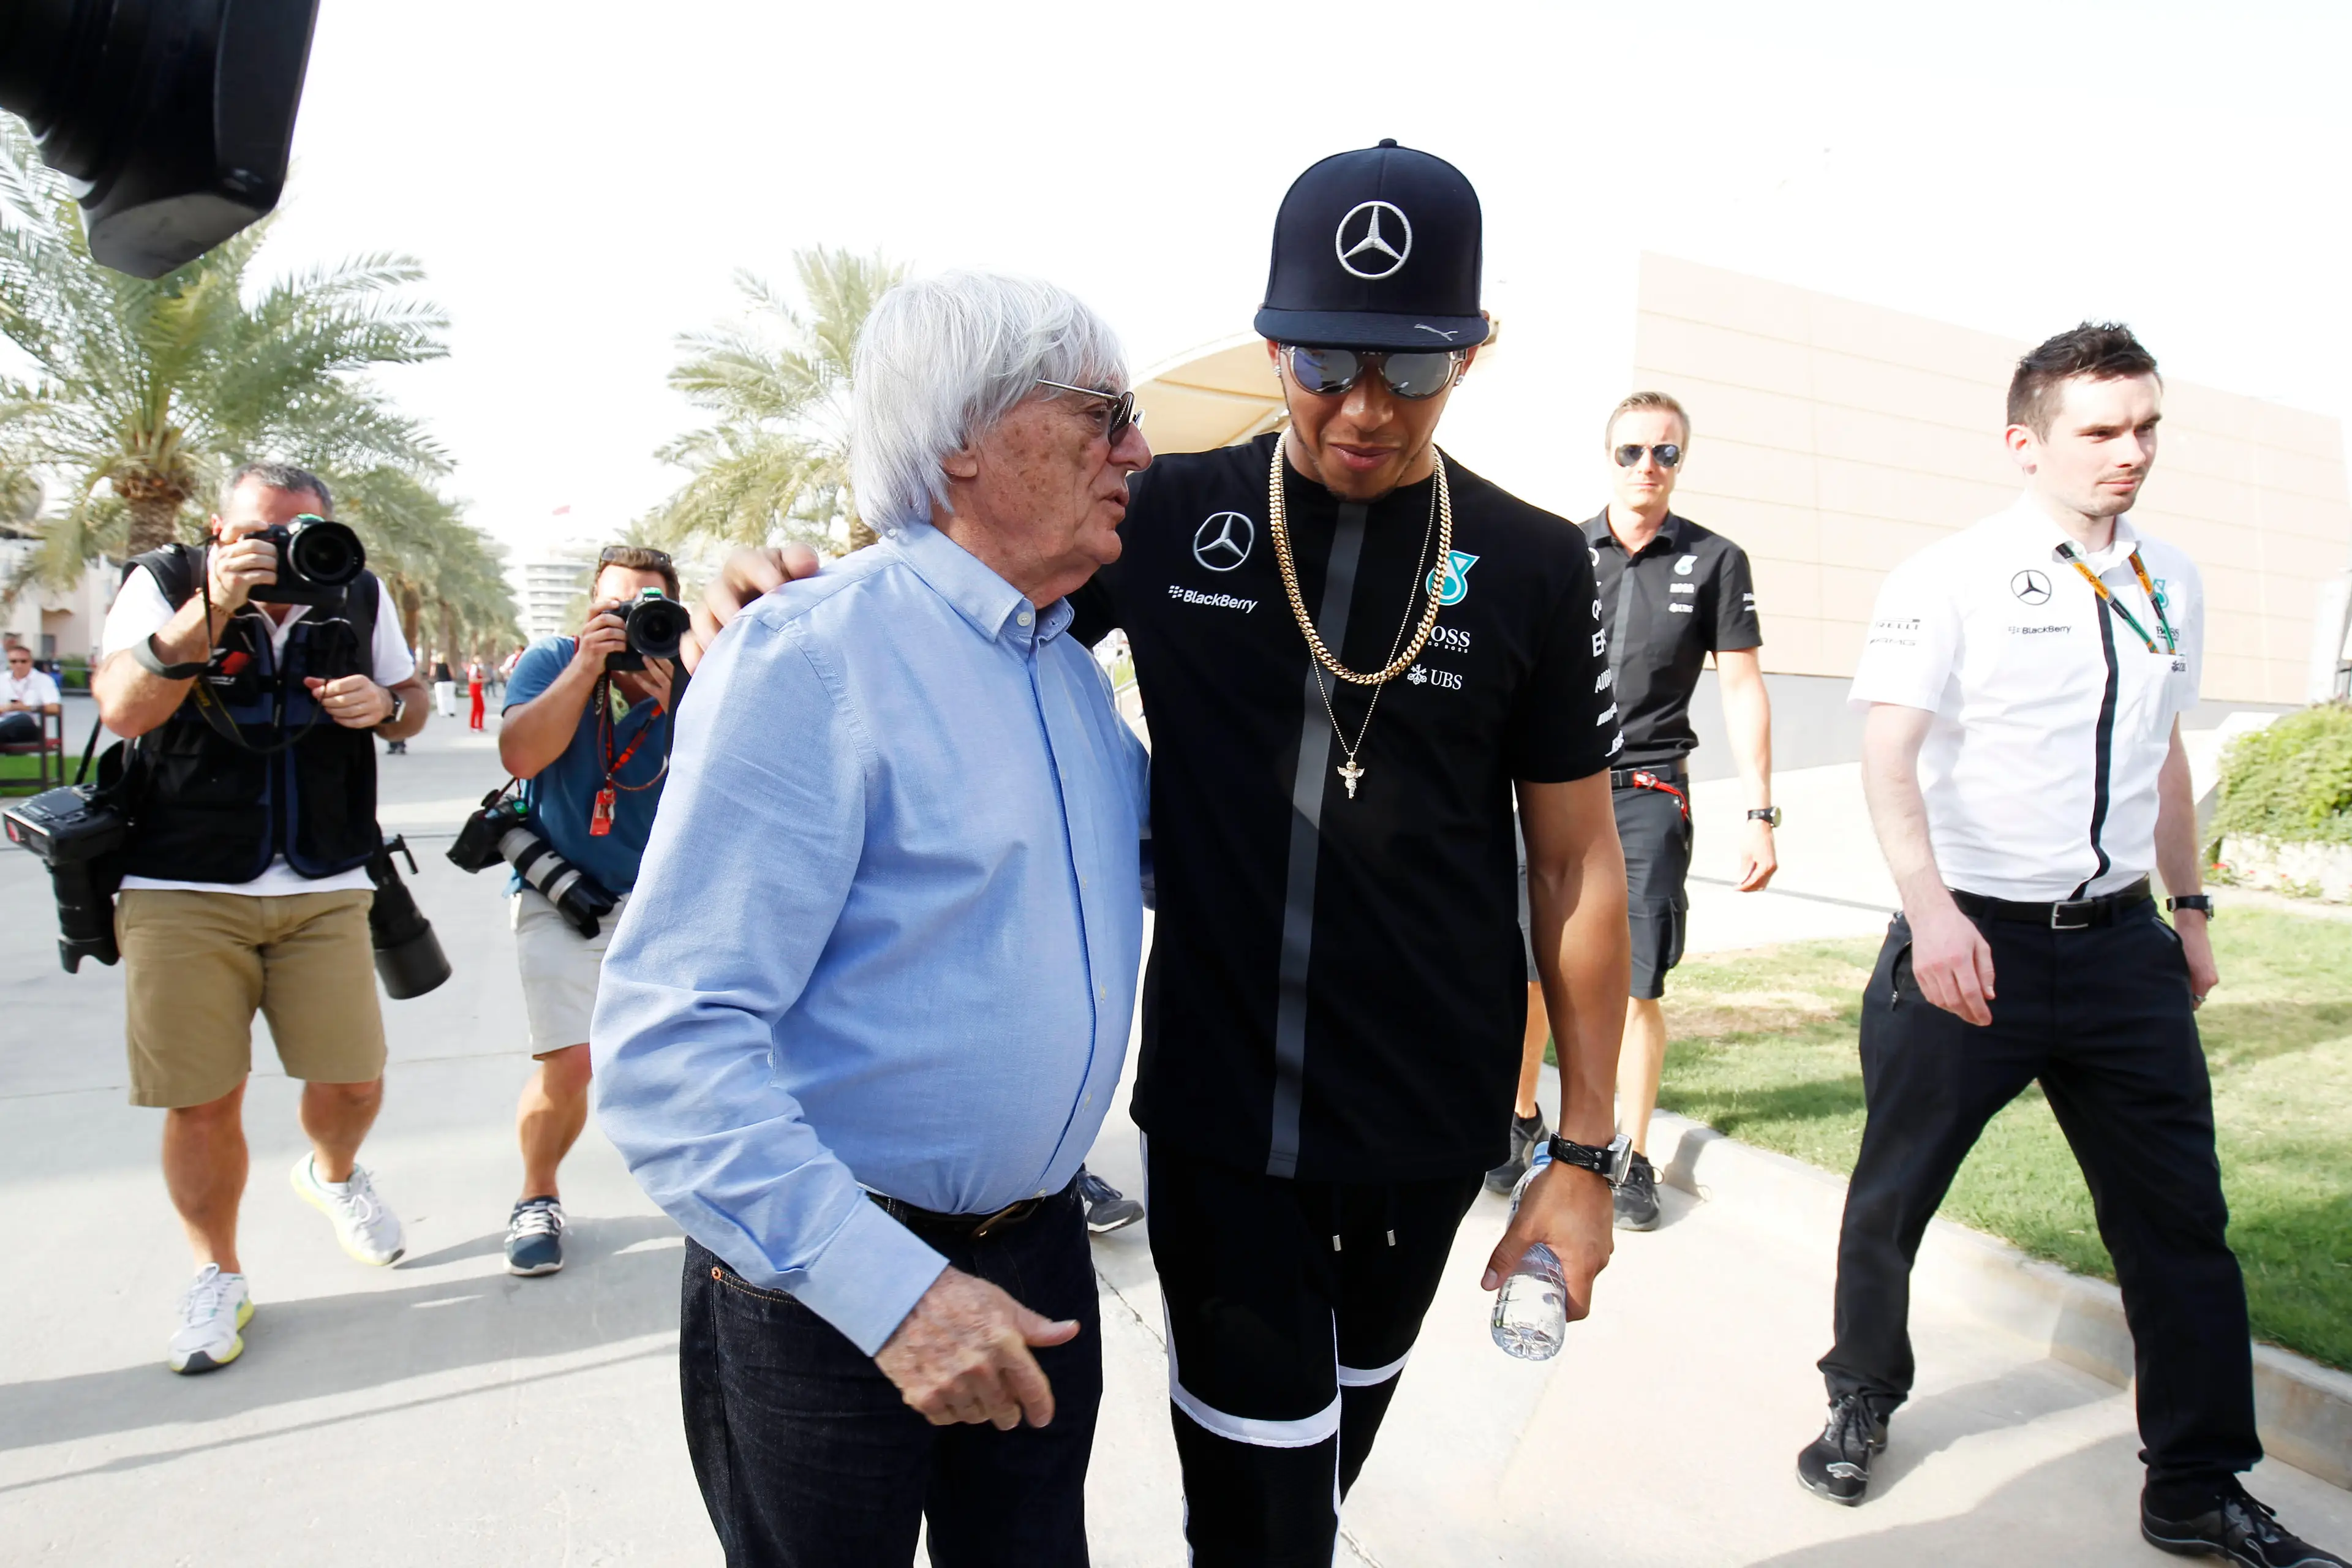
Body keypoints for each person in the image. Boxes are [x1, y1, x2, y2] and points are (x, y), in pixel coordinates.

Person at [705, 140, 1632, 1564]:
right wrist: (799, 607)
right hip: (1218, 1125)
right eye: (1325, 361)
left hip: (1428, 1128)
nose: (1365, 408)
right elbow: (962, 624)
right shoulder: (1168, 515)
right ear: (1272, 343)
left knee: (1325, 1467)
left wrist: (1577, 1146)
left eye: (1415, 368)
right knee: (1259, 1506)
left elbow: (1573, 864)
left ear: (1472, 353)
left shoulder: (1527, 558)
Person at [595, 271, 1153, 1567]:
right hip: (833, 1290)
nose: (1135, 448)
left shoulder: (1067, 676)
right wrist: (895, 1298)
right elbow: (669, 1047)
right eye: (1103, 410)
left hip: (1039, 1259)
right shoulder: (810, 654)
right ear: (966, 436)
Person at [1793, 324, 2347, 1568]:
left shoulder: (2171, 579)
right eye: (2101, 429)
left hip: (2119, 956)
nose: (2131, 451)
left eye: (2146, 425)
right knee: (1893, 1198)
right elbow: (1889, 752)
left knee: (2180, 1225)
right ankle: (1861, 1395)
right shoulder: (1953, 574)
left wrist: (2190, 911)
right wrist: (1931, 913)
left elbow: (2162, 753)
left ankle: (2197, 1486)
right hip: (1969, 946)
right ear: (2025, 441)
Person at [90, 461, 429, 1374]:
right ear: (217, 528)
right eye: (255, 533)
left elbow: (414, 704)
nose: (277, 549)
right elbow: (124, 707)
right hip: (182, 882)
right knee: (203, 1101)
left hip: (323, 875)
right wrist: (211, 605)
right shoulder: (162, 581)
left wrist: (385, 706)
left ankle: (332, 1174)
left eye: (294, 530)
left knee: (354, 1082)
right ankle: (217, 1272)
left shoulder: (352, 584)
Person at [1485, 392, 1777, 1230]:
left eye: (1665, 453)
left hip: (1648, 787)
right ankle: (1521, 1120)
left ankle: (1633, 1153)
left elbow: (1742, 683)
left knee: (1638, 983)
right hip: (1547, 788)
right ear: (1608, 457)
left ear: (1682, 461)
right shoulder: (1560, 553)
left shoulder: (1717, 561)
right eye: (1632, 452)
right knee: (1533, 969)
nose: (1647, 466)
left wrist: (1761, 810)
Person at [491, 546, 687, 1276]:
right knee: (571, 1061)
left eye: (645, 608)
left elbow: (729, 773)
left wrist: (674, 707)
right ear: (591, 611)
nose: (631, 623)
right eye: (615, 608)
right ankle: (536, 1193)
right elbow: (520, 757)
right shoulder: (553, 659)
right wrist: (585, 669)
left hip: (665, 901)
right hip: (563, 893)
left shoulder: (689, 670)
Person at [2, 640, 62, 744]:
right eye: (14, 662)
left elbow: (54, 708)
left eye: (23, 661)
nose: (19, 665)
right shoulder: (2, 679)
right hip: (3, 727)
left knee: (23, 718)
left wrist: (24, 707)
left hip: (29, 728)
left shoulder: (43, 680)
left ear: (31, 662)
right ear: (9, 663)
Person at [431, 652, 456, 717]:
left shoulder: (435, 665)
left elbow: (432, 674)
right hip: (449, 682)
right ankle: (451, 711)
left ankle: (442, 712)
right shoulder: (448, 665)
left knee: (440, 698)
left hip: (439, 683)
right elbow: (453, 674)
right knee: (450, 697)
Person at [466, 657, 486, 730]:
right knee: (476, 708)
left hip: (478, 690)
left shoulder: (479, 668)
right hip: (475, 689)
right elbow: (472, 680)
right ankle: (473, 726)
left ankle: (480, 726)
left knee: (481, 708)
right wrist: (482, 680)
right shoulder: (474, 668)